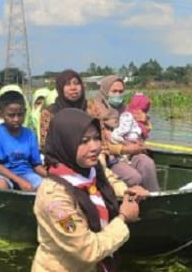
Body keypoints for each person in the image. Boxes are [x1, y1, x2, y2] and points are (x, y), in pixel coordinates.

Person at [32, 108, 144, 272]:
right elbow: (87, 250)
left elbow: (107, 178)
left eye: (97, 138)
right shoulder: (55, 198)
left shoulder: (89, 168)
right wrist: (123, 218)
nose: (94, 147)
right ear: (65, 144)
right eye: (83, 141)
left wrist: (127, 191)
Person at [88, 76, 160, 192]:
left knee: (147, 164)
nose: (118, 95)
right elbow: (98, 145)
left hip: (131, 153)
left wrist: (145, 121)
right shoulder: (94, 112)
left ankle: (156, 199)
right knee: (134, 177)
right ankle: (131, 204)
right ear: (105, 92)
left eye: (121, 91)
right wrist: (125, 149)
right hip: (109, 158)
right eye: (114, 91)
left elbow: (141, 131)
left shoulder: (127, 110)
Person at [0, 90, 47, 191]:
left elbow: (36, 165)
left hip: (26, 173)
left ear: (25, 112)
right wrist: (19, 180)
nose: (16, 119)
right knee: (1, 185)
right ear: (0, 115)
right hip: (1, 174)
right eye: (11, 115)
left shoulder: (29, 134)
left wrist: (53, 177)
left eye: (20, 114)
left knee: (45, 187)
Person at [38, 69, 87, 150]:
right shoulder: (49, 113)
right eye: (67, 84)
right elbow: (45, 143)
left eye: (76, 83)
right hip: (61, 158)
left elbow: (101, 137)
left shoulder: (91, 108)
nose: (73, 88)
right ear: (60, 88)